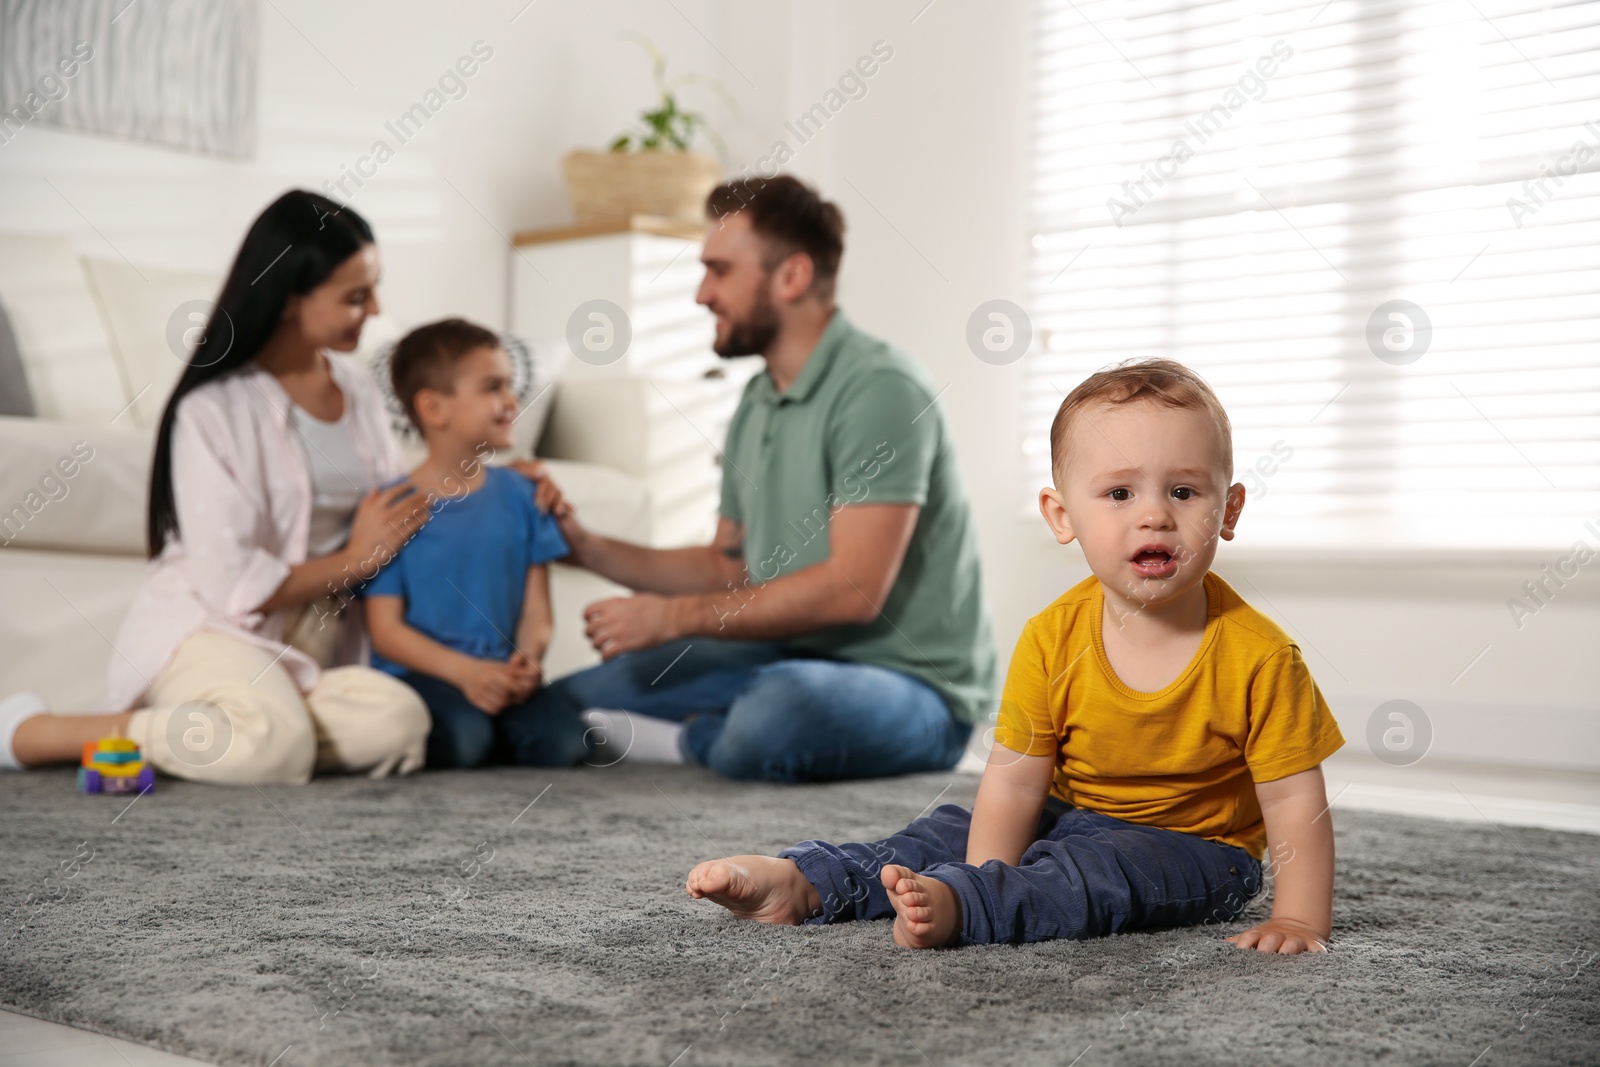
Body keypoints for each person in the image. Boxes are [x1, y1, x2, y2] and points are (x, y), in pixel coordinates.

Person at [685, 359, 1346, 954]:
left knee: (1092, 879)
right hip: (1066, 814)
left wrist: (1300, 918)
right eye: (1119, 493)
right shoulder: (1051, 637)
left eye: (1183, 491)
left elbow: (1293, 801)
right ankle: (808, 881)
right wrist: (981, 865)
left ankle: (968, 908)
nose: (1154, 516)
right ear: (1063, 516)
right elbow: (1016, 779)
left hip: (1194, 850)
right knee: (943, 831)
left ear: (1228, 508)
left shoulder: (1260, 657)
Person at [501, 175, 998, 782]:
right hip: (781, 653)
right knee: (544, 712)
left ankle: (695, 737)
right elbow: (726, 566)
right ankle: (706, 728)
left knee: (778, 713)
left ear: (790, 276)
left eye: (719, 270)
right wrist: (583, 544)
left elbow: (853, 591)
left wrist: (672, 618)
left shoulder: (881, 389)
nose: (701, 294)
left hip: (912, 687)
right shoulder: (758, 400)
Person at [0, 190, 435, 784]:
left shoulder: (358, 391)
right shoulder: (211, 412)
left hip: (307, 635)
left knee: (399, 721)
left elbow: (395, 506)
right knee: (270, 747)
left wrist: (495, 480)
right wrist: (354, 560)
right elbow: (230, 585)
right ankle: (42, 733)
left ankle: (235, 727)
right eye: (356, 297)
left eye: (373, 288)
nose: (376, 309)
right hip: (215, 628)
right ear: (288, 298)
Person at [362, 319, 572, 769]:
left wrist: (526, 660)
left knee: (567, 744)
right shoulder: (393, 509)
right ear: (434, 409)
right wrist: (467, 673)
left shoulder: (524, 496)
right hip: (426, 675)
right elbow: (386, 632)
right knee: (465, 741)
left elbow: (537, 612)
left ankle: (502, 723)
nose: (512, 401)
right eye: (493, 387)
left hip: (502, 670)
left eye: (511, 386)